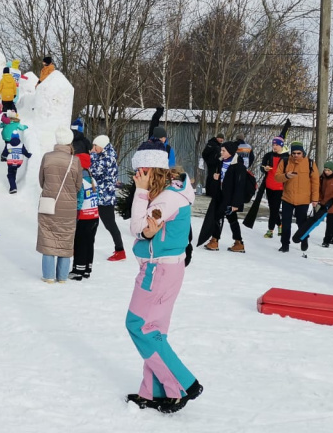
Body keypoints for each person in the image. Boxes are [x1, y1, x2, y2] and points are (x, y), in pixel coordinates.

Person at [125, 140, 201, 413]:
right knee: (153, 330)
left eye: (139, 172)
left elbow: (137, 227)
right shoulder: (171, 191)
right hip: (166, 268)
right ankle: (157, 391)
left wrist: (141, 193)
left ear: (150, 170)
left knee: (138, 325)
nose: (135, 178)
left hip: (158, 269)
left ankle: (182, 384)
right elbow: (144, 230)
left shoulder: (167, 197)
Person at [36, 127, 83, 283]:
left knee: (48, 237)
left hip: (49, 204)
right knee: (66, 239)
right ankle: (62, 277)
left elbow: (42, 181)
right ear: (69, 141)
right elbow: (78, 185)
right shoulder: (75, 161)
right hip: (68, 207)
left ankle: (48, 276)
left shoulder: (47, 157)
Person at [274, 141, 319, 255]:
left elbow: (315, 182)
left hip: (303, 199)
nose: (296, 155)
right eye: (293, 153)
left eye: (298, 153)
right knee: (286, 222)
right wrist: (286, 176)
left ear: (302, 152)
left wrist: (315, 199)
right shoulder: (285, 161)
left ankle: (304, 239)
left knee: (302, 223)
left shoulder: (310, 163)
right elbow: (277, 177)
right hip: (287, 198)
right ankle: (284, 245)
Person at [204, 141, 248, 253]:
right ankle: (238, 242)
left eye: (224, 150)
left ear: (231, 152)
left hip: (231, 198)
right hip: (221, 196)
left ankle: (215, 240)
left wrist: (236, 204)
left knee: (219, 217)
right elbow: (220, 180)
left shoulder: (238, 166)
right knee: (230, 219)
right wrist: (215, 179)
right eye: (221, 150)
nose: (221, 152)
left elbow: (240, 186)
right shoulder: (221, 163)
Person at [90, 134, 126, 261]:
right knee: (96, 222)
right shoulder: (104, 156)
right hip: (101, 195)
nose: (93, 148)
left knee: (110, 224)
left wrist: (92, 155)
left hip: (105, 197)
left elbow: (93, 170)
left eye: (95, 146)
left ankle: (120, 250)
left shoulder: (108, 158)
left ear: (102, 146)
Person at [70, 151, 100, 280]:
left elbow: (80, 199)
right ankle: (88, 268)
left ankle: (78, 270)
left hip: (84, 217)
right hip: (94, 216)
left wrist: (74, 210)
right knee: (89, 243)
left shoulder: (81, 180)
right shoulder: (92, 179)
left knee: (80, 243)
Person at [260, 137, 288, 239]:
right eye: (273, 145)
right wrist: (265, 169)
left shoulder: (286, 157)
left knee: (274, 208)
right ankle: (280, 225)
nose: (275, 146)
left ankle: (270, 230)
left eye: (277, 145)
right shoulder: (268, 155)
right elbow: (262, 166)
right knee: (272, 208)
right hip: (269, 185)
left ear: (281, 145)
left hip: (280, 186)